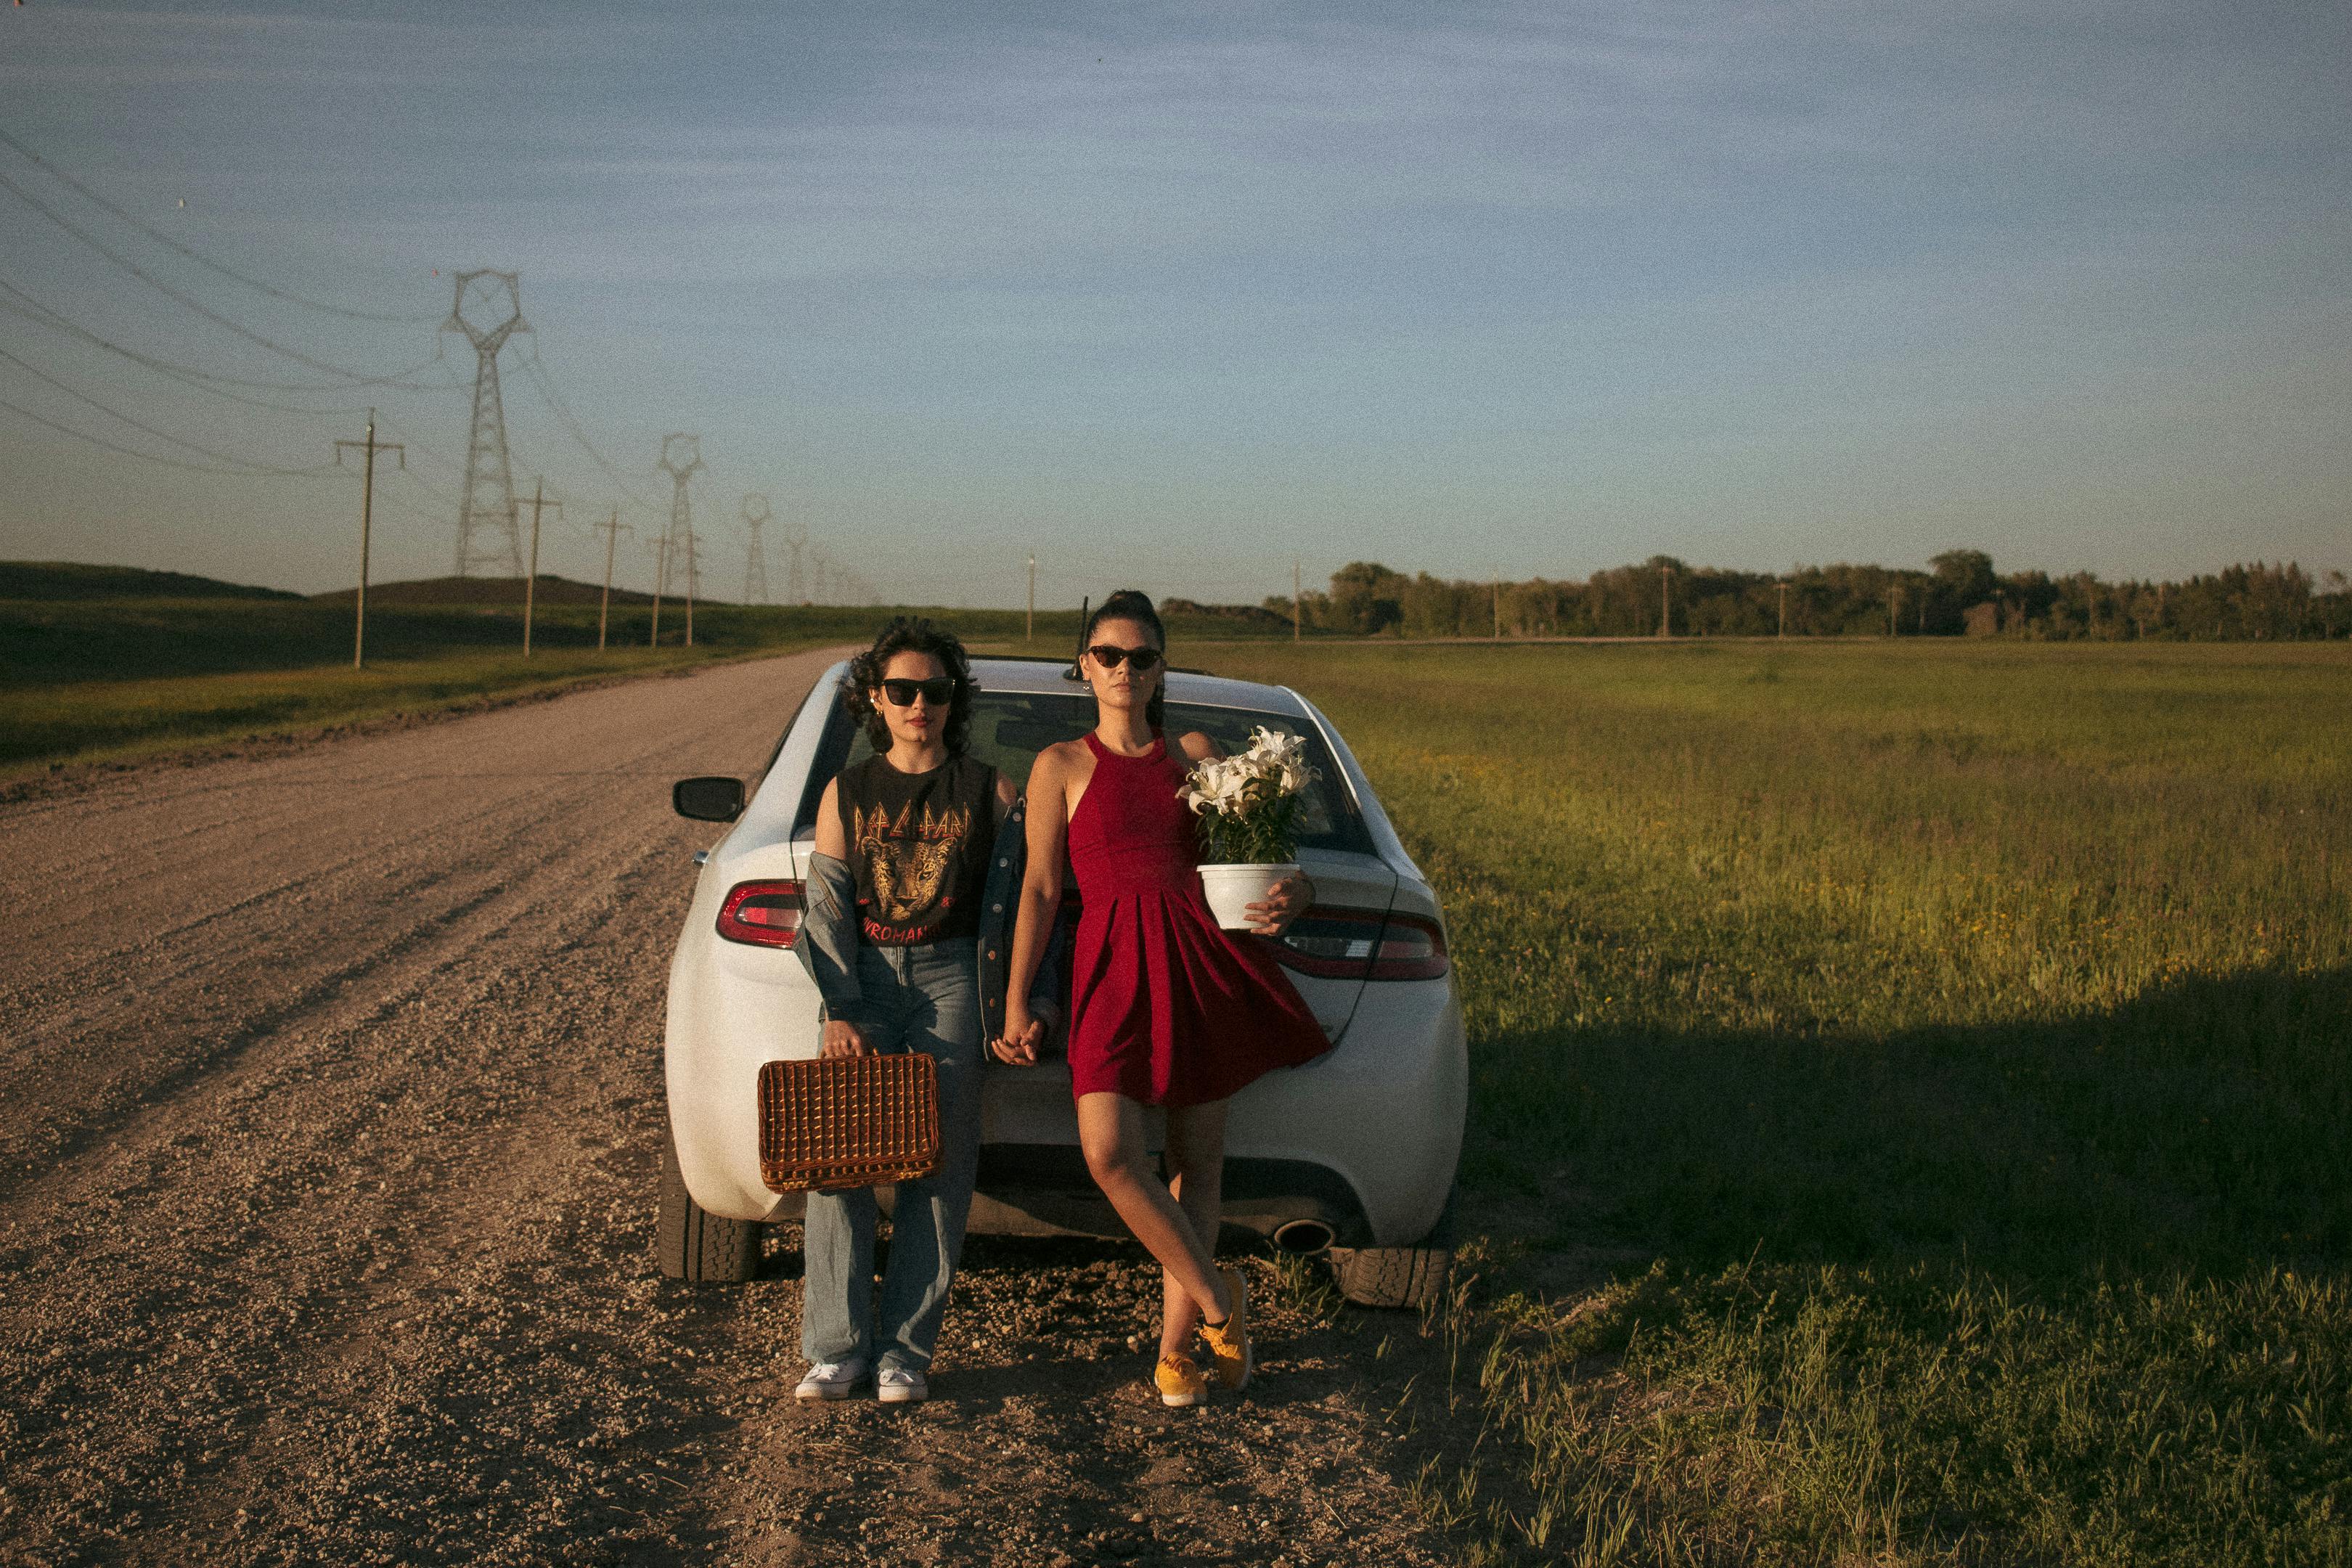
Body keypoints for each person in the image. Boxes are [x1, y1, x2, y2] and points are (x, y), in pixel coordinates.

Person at [994, 590, 1327, 1406]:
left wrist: (1302, 894)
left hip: (1198, 960)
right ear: (1085, 666)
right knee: (1109, 1153)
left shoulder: (1195, 753)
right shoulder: (1060, 766)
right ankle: (1222, 1301)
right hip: (1108, 967)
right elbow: (1039, 889)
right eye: (1108, 654)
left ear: (1160, 668)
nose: (1124, 669)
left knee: (1195, 1164)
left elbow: (1264, 858)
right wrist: (1016, 999)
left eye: (1141, 657)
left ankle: (1178, 1351)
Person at [789, 617, 1052, 1404]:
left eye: (933, 691)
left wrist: (1020, 1002)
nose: (918, 705)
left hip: (950, 976)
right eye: (901, 690)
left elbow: (1018, 908)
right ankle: (835, 1349)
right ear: (877, 698)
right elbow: (827, 906)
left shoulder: (990, 788)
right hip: (864, 976)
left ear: (951, 700)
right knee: (838, 1156)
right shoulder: (849, 790)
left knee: (938, 1163)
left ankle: (906, 1354)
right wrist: (839, 1006)